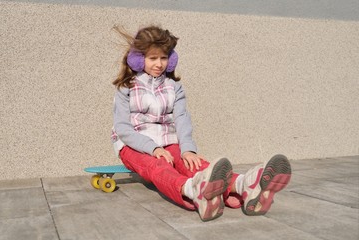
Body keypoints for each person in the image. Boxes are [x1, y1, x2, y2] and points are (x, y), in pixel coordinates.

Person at [111, 25, 292, 221]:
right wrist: (153, 149)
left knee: (194, 164)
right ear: (139, 59)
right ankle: (193, 191)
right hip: (134, 145)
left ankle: (244, 185)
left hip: (167, 140)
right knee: (159, 167)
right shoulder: (126, 88)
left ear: (171, 59)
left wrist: (187, 149)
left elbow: (181, 119)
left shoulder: (174, 87)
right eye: (152, 58)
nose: (159, 64)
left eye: (163, 58)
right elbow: (122, 128)